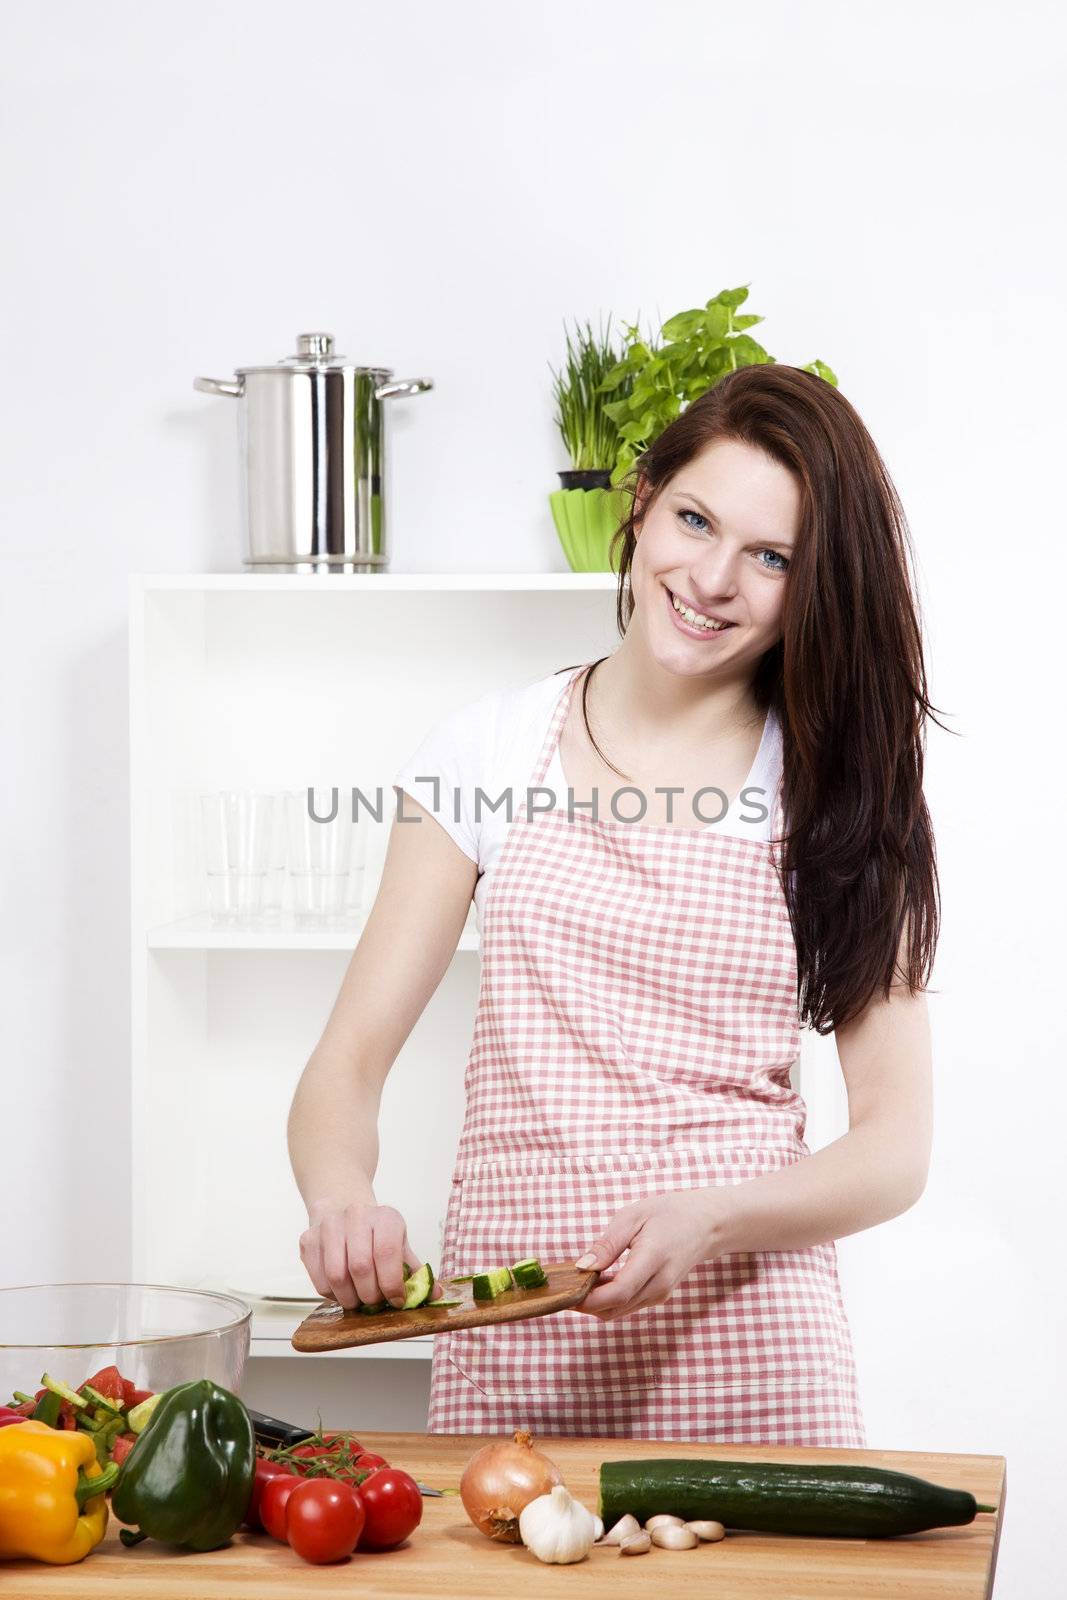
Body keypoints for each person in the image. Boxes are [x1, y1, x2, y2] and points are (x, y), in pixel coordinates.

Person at [287, 364, 938, 1446]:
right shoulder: (486, 749)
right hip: (514, 1328)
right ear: (639, 505)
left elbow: (893, 1146)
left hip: (747, 1336)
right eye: (694, 518)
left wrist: (711, 1216)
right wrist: (338, 1198)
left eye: (769, 557)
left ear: (809, 587)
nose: (712, 577)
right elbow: (346, 1061)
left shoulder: (838, 790)